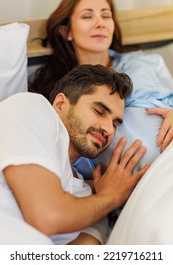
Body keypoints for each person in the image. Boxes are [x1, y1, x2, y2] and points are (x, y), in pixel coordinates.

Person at [29, 0, 173, 177]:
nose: (100, 23)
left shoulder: (144, 63)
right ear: (66, 31)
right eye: (87, 16)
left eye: (106, 16)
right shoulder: (54, 96)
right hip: (127, 184)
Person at [0, 64, 149, 245]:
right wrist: (112, 196)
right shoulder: (30, 107)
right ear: (60, 104)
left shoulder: (91, 203)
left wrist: (102, 195)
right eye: (99, 111)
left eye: (115, 124)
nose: (108, 129)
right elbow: (48, 217)